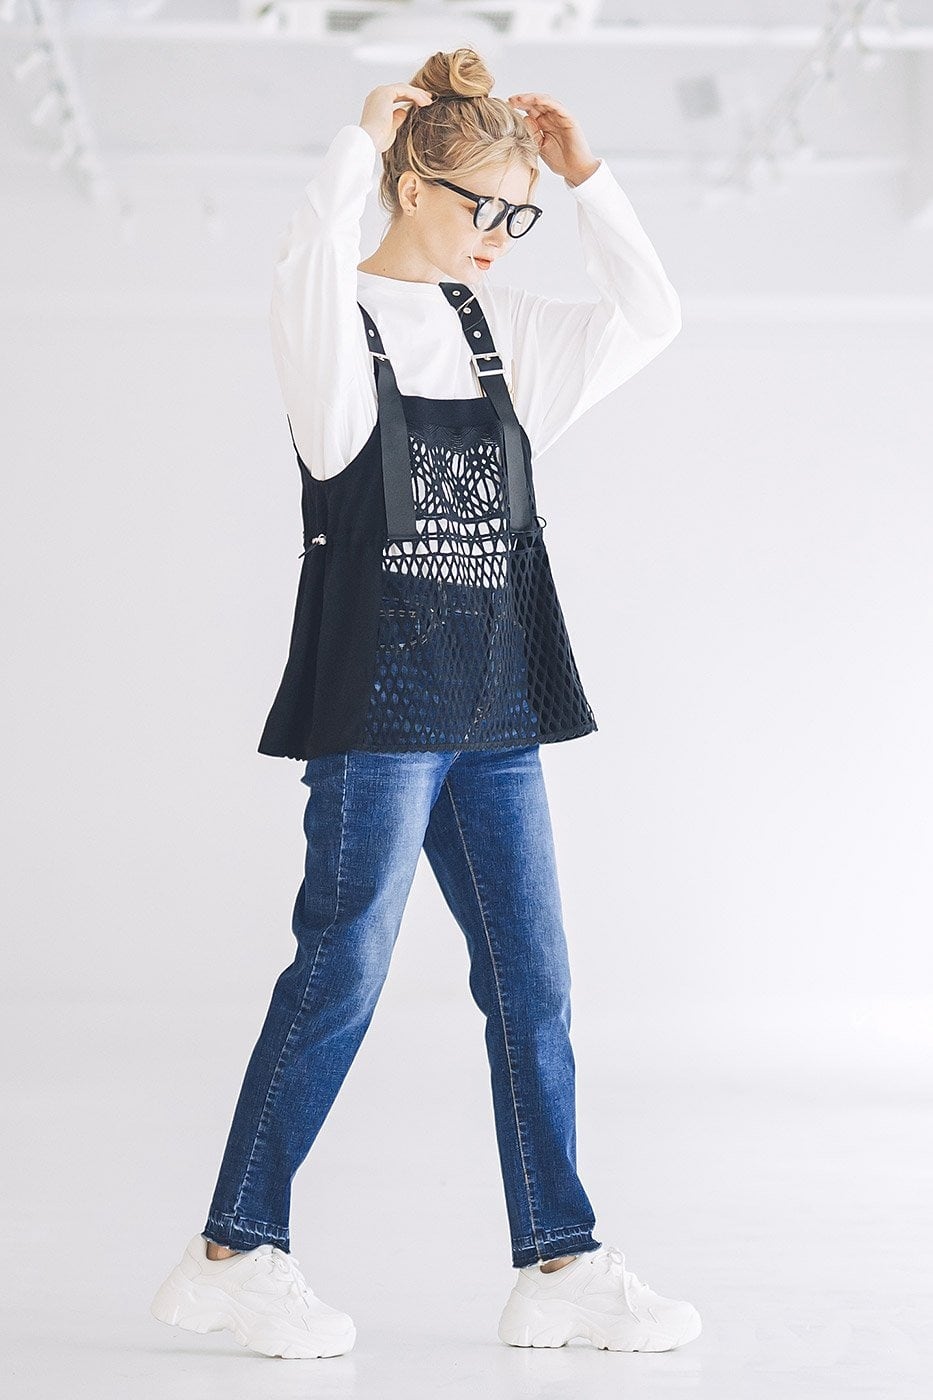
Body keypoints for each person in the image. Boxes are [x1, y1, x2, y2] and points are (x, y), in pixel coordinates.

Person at [150, 46, 699, 1360]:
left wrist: (587, 179)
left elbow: (652, 315)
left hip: (496, 712)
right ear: (410, 185)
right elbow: (302, 262)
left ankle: (559, 1262)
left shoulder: (503, 337)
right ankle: (232, 1251)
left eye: (521, 215)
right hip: (381, 714)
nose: (502, 234)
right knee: (343, 966)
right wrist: (355, 142)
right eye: (480, 206)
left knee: (534, 986)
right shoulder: (333, 325)